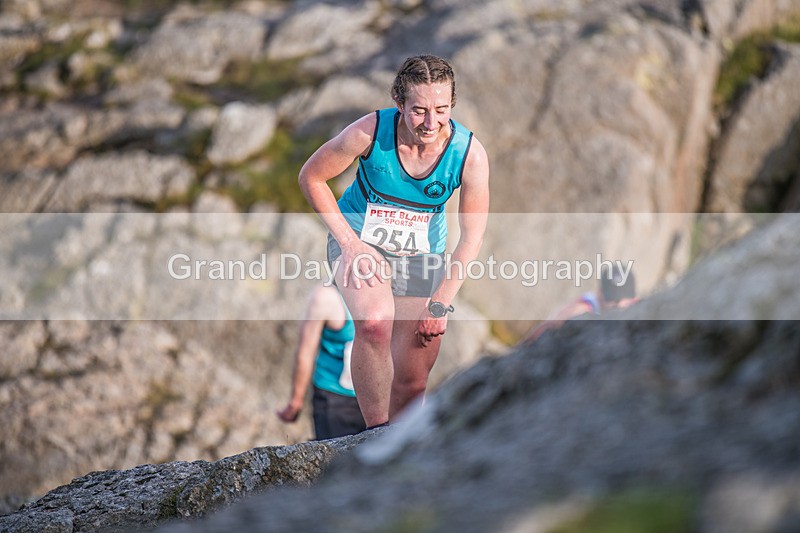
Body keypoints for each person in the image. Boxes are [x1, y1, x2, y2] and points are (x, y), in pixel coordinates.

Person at [298, 55, 490, 429]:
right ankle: (373, 433)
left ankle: (402, 448)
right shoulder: (368, 133)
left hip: (421, 255)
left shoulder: (469, 154)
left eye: (441, 110)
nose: (431, 123)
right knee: (374, 322)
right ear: (399, 103)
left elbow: (473, 235)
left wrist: (440, 302)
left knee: (412, 373)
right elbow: (312, 177)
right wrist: (350, 244)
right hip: (358, 239)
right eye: (419, 111)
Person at [276, 284, 366, 440]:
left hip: (378, 399)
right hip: (334, 397)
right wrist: (296, 401)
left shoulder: (390, 292)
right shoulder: (325, 298)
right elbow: (305, 352)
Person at [523, 265, 638, 343]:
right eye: (612, 298)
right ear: (600, 293)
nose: (617, 305)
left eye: (621, 299)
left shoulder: (637, 310)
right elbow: (543, 331)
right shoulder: (581, 311)